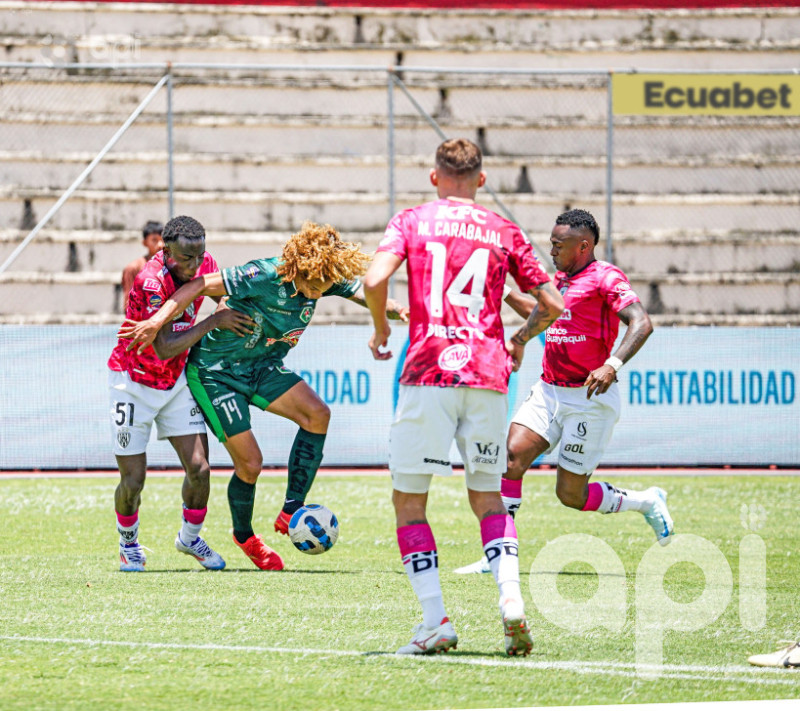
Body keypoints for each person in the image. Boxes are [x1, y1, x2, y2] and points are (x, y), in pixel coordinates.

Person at [362, 138, 564, 656]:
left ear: (434, 177)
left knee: (410, 501)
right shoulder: (502, 229)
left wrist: (381, 327)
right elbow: (552, 303)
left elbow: (374, 277)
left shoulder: (411, 220)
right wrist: (518, 342)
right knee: (488, 498)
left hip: (429, 371)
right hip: (487, 374)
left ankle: (435, 621)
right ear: (482, 178)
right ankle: (511, 601)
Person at [119, 221, 409, 572]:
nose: (317, 293)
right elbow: (197, 285)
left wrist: (396, 309)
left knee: (318, 414)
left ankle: (291, 510)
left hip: (262, 365)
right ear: (299, 269)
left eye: (324, 287)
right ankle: (245, 536)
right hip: (217, 372)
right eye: (312, 285)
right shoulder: (263, 273)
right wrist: (157, 321)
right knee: (251, 464)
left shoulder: (324, 276)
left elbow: (365, 292)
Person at [455, 208, 674, 577]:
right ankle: (498, 556)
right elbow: (546, 313)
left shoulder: (606, 277)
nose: (552, 249)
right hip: (549, 391)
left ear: (584, 246)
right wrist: (504, 291)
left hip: (589, 399)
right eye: (551, 243)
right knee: (508, 461)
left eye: (559, 244)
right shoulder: (560, 280)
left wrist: (612, 364)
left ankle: (645, 501)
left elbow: (642, 322)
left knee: (570, 495)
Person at [109, 215, 254, 572]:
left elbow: (222, 297)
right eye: (186, 259)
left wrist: (223, 311)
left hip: (175, 384)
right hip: (133, 382)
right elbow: (165, 346)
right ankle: (129, 545)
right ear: (165, 250)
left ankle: (189, 539)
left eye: (199, 256)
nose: (195, 265)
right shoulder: (149, 281)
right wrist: (214, 322)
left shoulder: (205, 263)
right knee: (134, 479)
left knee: (200, 469)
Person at [121, 220, 164, 310]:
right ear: (145, 243)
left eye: (162, 240)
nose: (160, 245)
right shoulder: (133, 268)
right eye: (154, 240)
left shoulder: (171, 267)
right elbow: (128, 304)